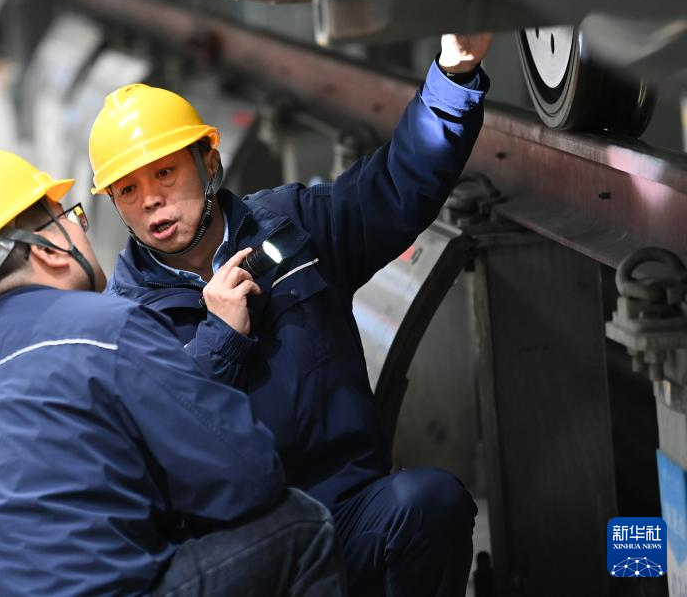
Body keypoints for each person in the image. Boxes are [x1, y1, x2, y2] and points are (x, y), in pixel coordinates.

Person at [88, 34, 493, 596]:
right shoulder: (123, 322)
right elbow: (146, 450)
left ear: (209, 162)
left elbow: (394, 187)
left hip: (345, 512)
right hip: (245, 556)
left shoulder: (291, 226)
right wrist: (219, 341)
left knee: (430, 504)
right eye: (128, 189)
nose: (150, 199)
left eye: (165, 173)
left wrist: (453, 77)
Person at [0, 147, 348, 596]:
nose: (81, 228)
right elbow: (249, 476)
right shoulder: (108, 327)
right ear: (49, 250)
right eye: (72, 218)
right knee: (300, 523)